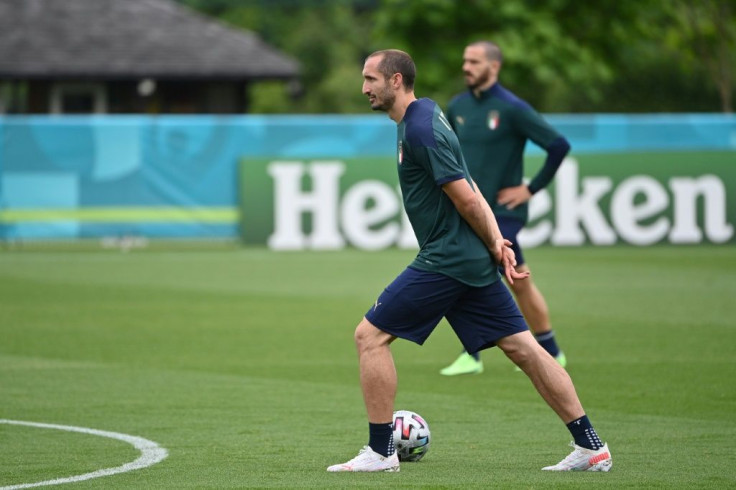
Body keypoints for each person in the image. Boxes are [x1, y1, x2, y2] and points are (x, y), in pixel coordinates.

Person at [327, 49, 611, 473]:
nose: (364, 87)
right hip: (467, 259)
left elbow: (464, 195)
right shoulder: (428, 116)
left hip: (447, 258)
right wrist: (498, 243)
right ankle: (592, 447)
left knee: (370, 336)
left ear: (397, 81)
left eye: (371, 79)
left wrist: (496, 241)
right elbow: (473, 183)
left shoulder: (421, 128)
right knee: (525, 349)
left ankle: (381, 451)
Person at [440, 40, 571, 376]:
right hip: (472, 209)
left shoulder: (512, 108)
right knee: (520, 281)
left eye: (474, 61)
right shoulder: (457, 107)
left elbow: (558, 145)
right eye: (464, 61)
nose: (466, 67)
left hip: (504, 211)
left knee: (479, 268)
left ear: (494, 67)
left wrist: (530, 188)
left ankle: (473, 353)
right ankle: (551, 349)